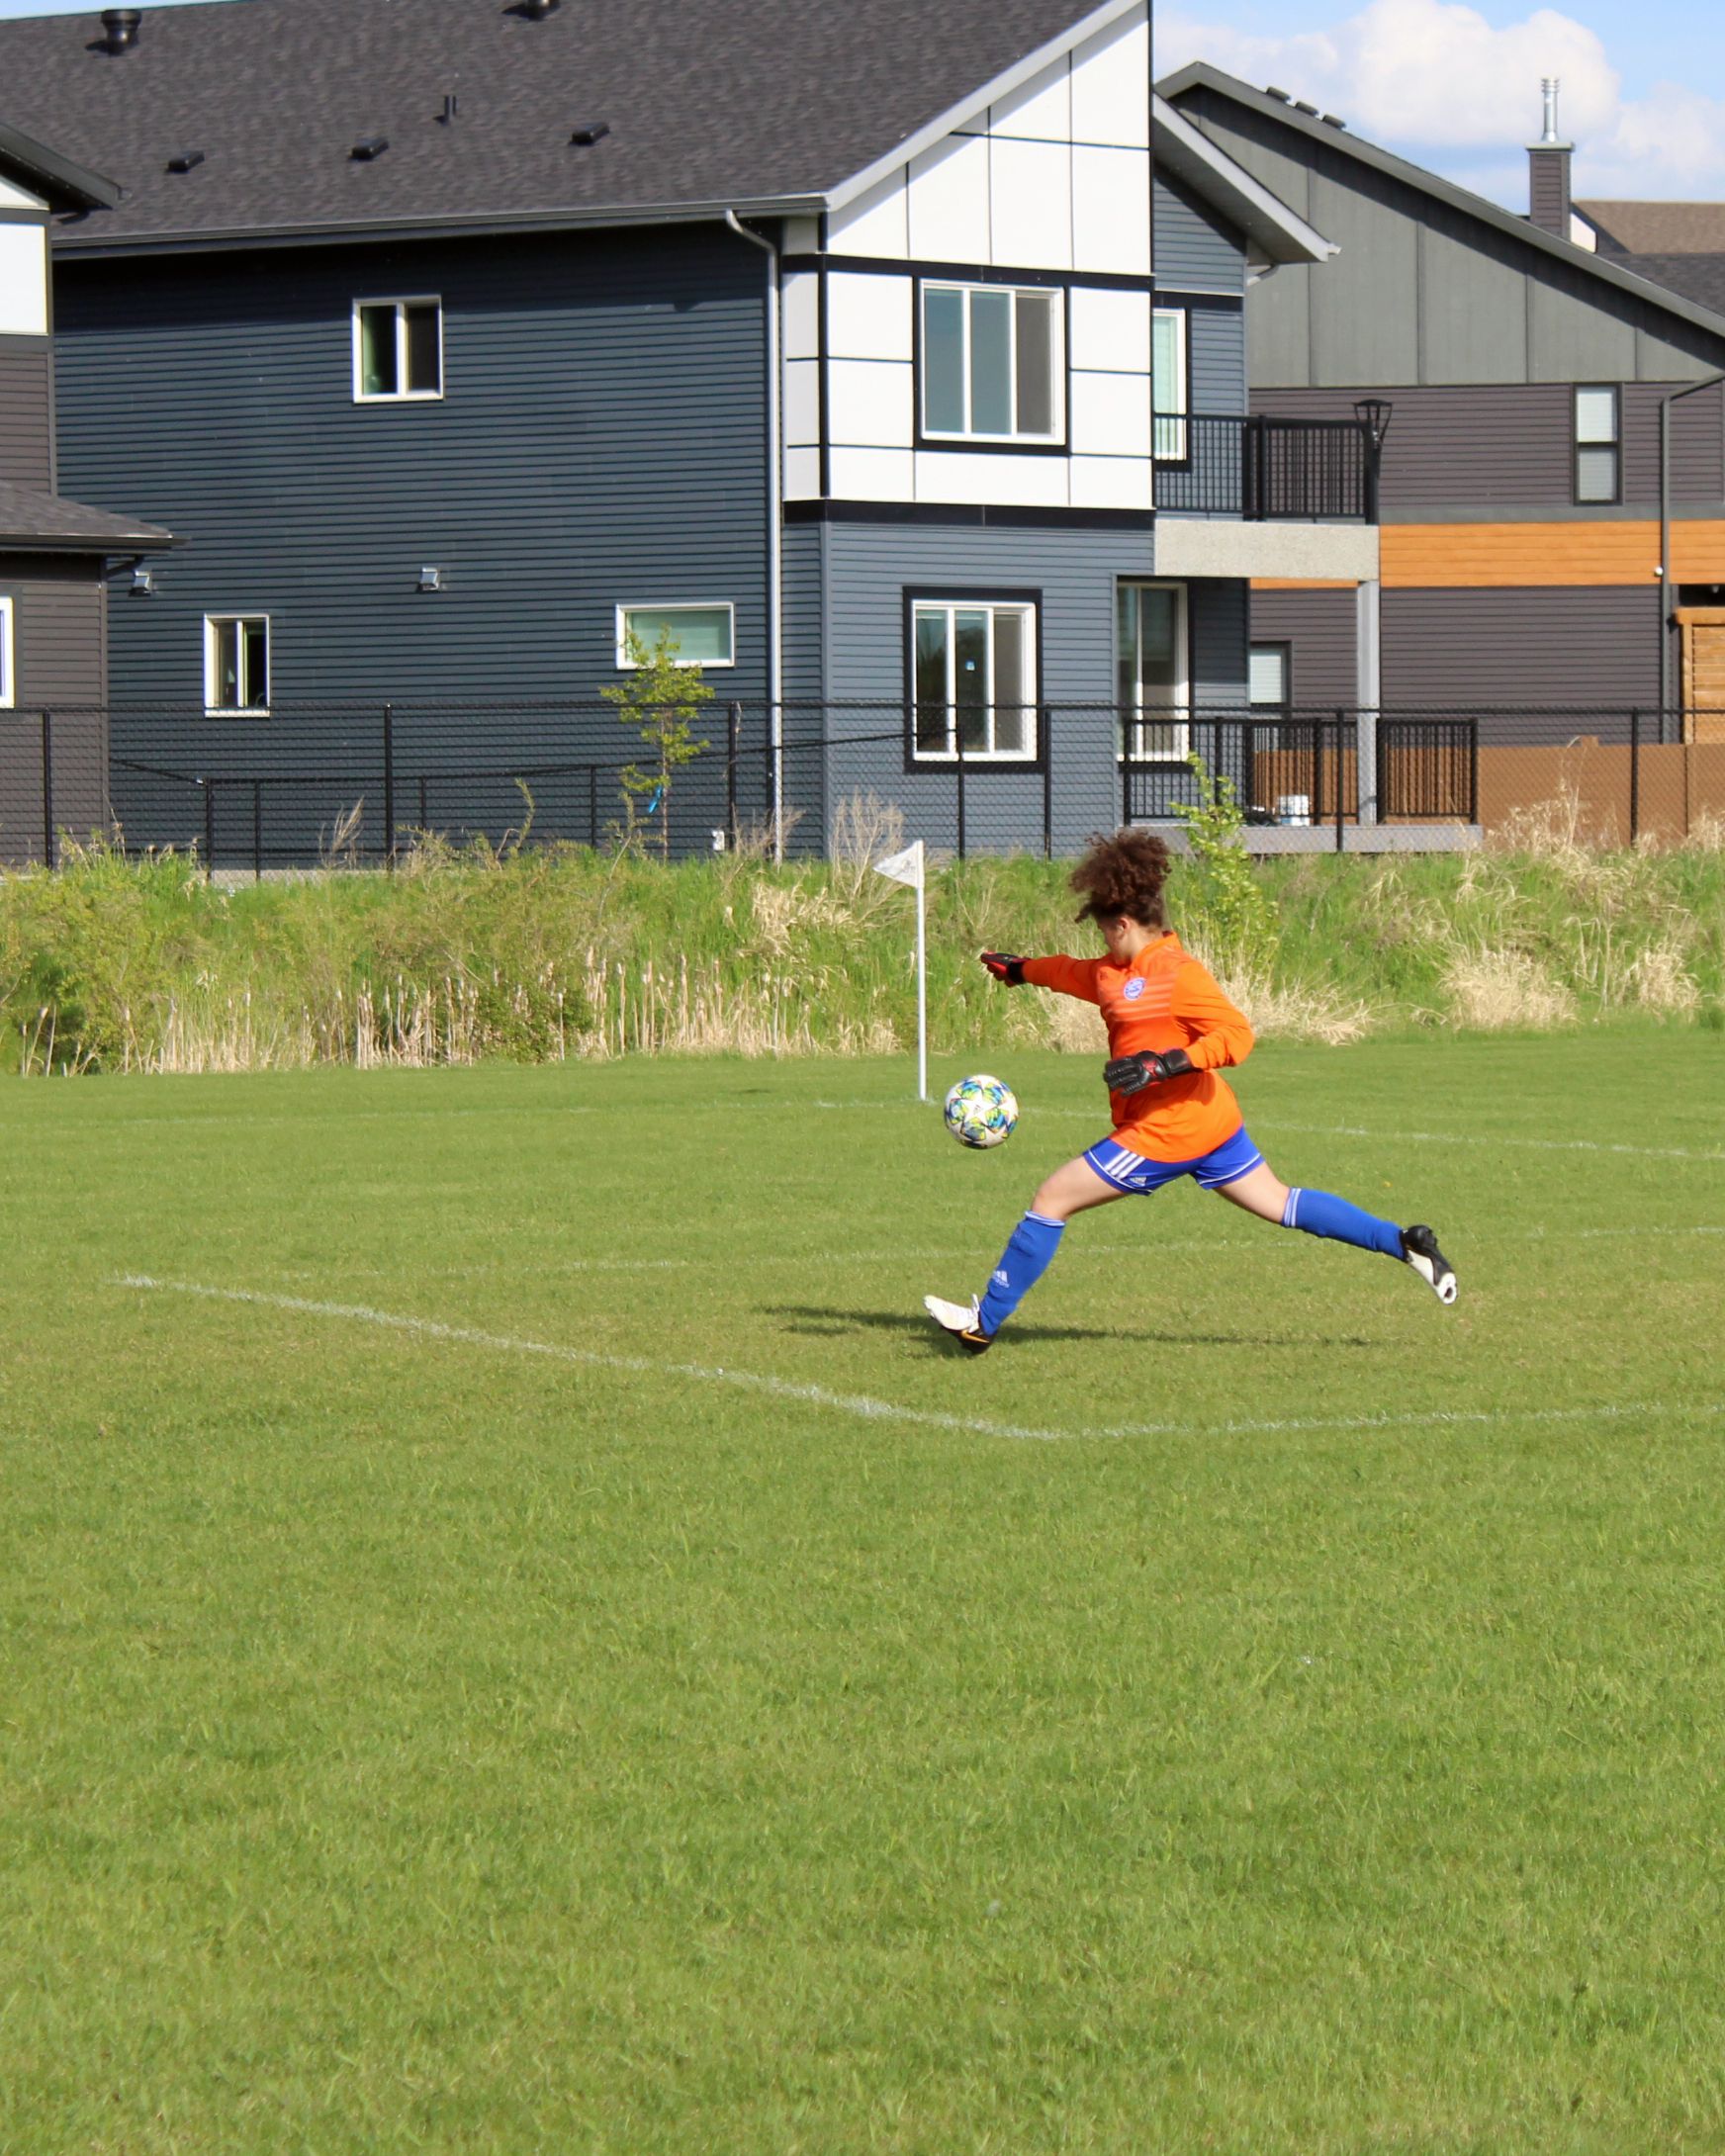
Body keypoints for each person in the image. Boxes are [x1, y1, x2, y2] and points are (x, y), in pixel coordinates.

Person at [925, 827, 1456, 1354]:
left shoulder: (1180, 974)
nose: (1103, 941)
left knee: (1051, 1199)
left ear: (1125, 924)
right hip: (1211, 1122)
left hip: (1168, 1131)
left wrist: (1164, 1065)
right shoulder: (1114, 972)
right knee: (1281, 1203)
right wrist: (1020, 970)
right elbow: (1071, 972)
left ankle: (982, 1325)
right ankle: (1404, 1243)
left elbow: (1237, 1036)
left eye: (1107, 930)